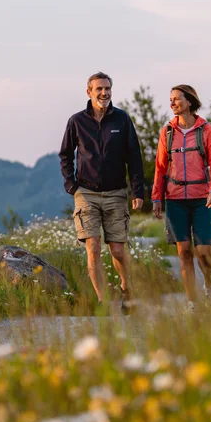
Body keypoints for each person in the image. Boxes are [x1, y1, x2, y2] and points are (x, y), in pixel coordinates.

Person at [59, 72, 145, 309]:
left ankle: (127, 289)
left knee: (117, 249)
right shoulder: (76, 121)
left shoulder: (122, 119)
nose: (104, 93)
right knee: (93, 247)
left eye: (107, 88)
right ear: (89, 92)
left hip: (116, 193)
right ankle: (104, 301)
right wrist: (71, 185)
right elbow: (65, 155)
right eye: (99, 89)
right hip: (86, 193)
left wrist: (138, 192)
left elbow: (134, 157)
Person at [151, 84, 211, 304]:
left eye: (177, 99)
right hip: (175, 200)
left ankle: (209, 284)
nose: (172, 103)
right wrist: (156, 198)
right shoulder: (168, 132)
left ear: (189, 101)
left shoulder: (206, 130)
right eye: (170, 99)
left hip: (203, 199)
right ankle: (193, 302)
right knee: (184, 253)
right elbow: (160, 167)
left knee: (203, 251)